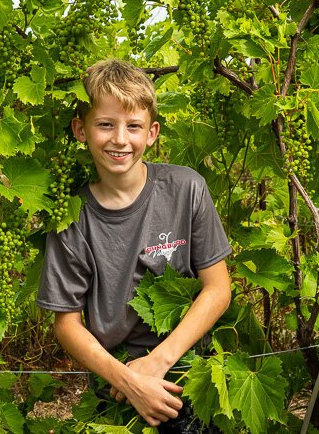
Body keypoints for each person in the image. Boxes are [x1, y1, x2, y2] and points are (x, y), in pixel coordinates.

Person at [36, 59, 232, 431]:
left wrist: (156, 363)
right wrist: (128, 380)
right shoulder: (70, 218)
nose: (120, 139)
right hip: (114, 387)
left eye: (134, 126)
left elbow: (218, 289)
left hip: (186, 369)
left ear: (153, 132)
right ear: (81, 129)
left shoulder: (186, 189)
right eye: (105, 124)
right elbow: (67, 323)